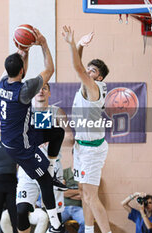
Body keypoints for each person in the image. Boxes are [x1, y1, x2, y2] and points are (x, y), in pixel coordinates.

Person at [0, 27, 65, 232]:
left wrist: (23, 50)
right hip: (20, 144)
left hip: (19, 134)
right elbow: (50, 69)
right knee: (43, 178)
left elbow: (18, 69)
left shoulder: (0, 84)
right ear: (22, 72)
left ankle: (51, 167)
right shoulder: (24, 91)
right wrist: (43, 44)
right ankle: (55, 224)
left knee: (57, 133)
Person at [62, 26, 111, 233]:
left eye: (93, 71)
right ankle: (89, 231)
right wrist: (80, 47)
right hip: (82, 148)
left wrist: (75, 44)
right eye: (88, 69)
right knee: (83, 192)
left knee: (91, 195)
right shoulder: (86, 85)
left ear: (99, 78)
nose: (88, 72)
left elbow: (77, 68)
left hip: (92, 149)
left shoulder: (94, 88)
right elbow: (79, 67)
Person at [15, 82, 73, 233]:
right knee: (21, 211)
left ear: (49, 93)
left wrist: (51, 136)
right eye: (38, 89)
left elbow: (70, 138)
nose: (41, 91)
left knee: (55, 214)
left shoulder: (57, 111)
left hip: (51, 167)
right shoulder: (25, 112)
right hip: (29, 166)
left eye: (44, 88)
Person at [62, 166, 85, 233]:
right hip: (64, 208)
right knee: (55, 223)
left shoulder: (85, 173)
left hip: (79, 208)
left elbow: (85, 194)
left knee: (86, 222)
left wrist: (68, 193)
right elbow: (62, 193)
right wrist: (80, 191)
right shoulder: (64, 173)